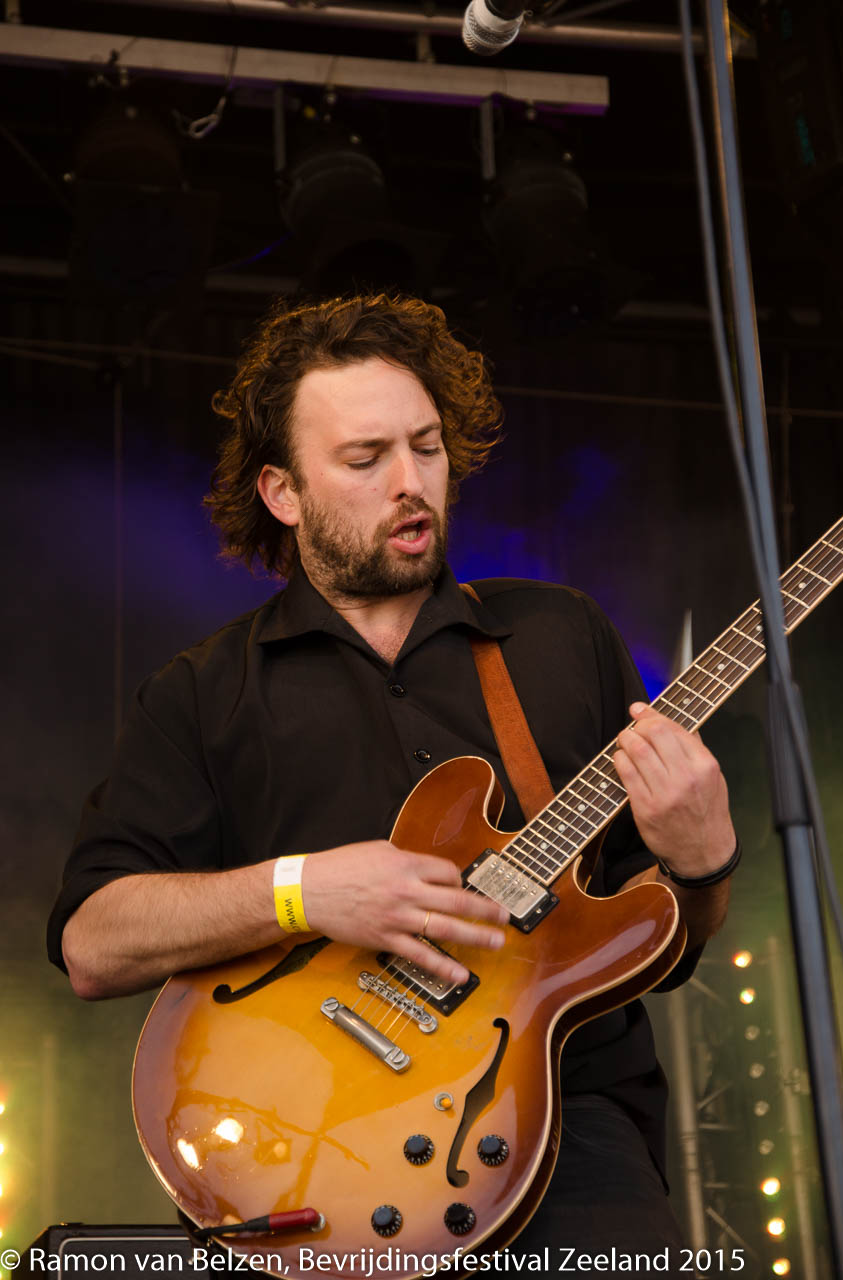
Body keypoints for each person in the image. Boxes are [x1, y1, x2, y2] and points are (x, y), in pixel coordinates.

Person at [48, 293, 737, 1277]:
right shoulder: (202, 693)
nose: (411, 483)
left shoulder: (559, 634)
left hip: (569, 1137)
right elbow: (92, 943)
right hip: (314, 1148)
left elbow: (655, 942)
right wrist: (302, 890)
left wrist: (702, 862)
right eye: (366, 459)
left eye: (426, 447)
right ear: (283, 492)